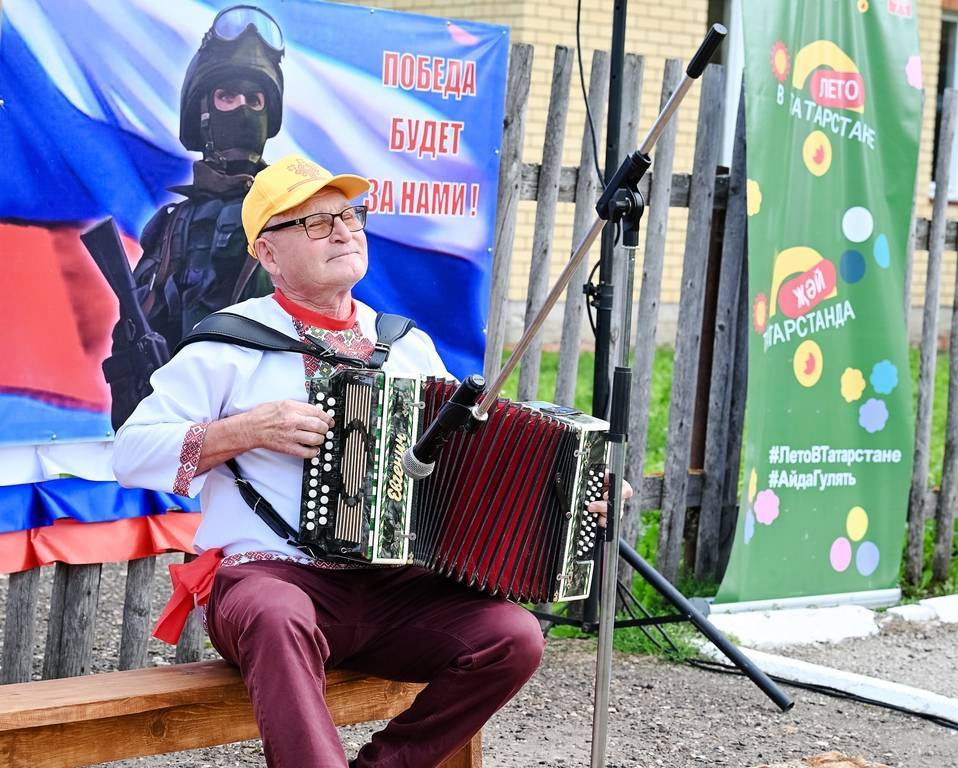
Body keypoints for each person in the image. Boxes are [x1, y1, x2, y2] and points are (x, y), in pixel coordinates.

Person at [113, 154, 630, 768]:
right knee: (278, 614)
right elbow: (130, 454)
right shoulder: (226, 346)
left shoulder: (406, 345)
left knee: (511, 636)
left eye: (351, 215)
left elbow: (468, 467)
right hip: (274, 580)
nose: (344, 230)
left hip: (392, 590)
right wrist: (244, 430)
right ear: (266, 253)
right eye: (315, 222)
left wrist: (571, 493)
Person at [104, 5, 286, 428]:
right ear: (203, 115)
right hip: (186, 432)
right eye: (227, 96)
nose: (243, 109)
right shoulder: (172, 226)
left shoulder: (292, 212)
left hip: (268, 424)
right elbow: (138, 333)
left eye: (254, 99)